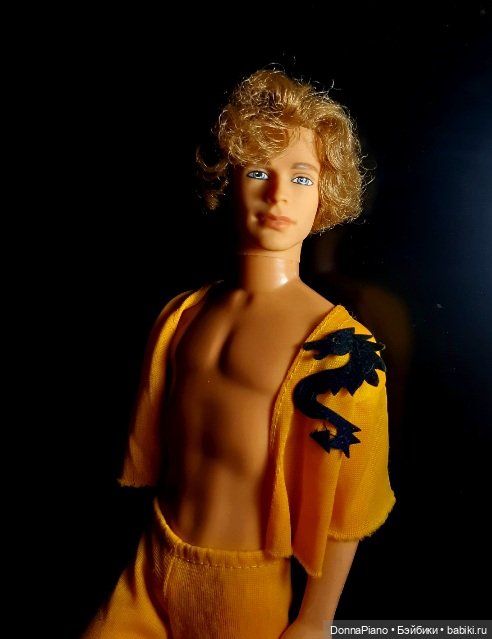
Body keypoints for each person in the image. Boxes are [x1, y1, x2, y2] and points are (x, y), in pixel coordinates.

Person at [83, 68, 396, 639]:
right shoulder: (182, 315)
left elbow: (350, 502)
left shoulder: (339, 348)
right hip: (150, 560)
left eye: (301, 177)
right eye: (258, 171)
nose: (279, 195)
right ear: (228, 180)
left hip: (241, 587)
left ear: (326, 192)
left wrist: (315, 620)